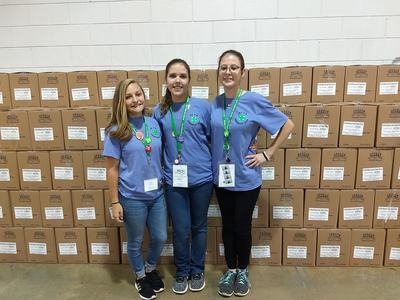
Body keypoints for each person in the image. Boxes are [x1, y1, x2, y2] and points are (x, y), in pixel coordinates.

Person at [211, 50, 294, 297]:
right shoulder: (214, 103)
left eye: (233, 67)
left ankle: (243, 270)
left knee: (241, 226)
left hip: (247, 178)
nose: (228, 72)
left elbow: (287, 125)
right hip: (221, 177)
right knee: (227, 225)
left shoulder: (254, 101)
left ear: (242, 73)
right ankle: (230, 270)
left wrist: (267, 153)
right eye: (223, 67)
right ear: (218, 72)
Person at [153, 58, 213, 294]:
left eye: (182, 76)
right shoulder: (159, 111)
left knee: (199, 226)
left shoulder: (203, 107)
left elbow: (213, 139)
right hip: (174, 180)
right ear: (166, 80)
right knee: (180, 228)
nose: (177, 80)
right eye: (173, 76)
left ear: (189, 81)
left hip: (202, 179)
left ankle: (197, 269)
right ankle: (181, 271)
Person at [103, 79, 167, 300]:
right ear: (121, 102)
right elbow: (112, 170)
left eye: (138, 94)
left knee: (160, 237)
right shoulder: (115, 131)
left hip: (157, 195)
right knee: (136, 241)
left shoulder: (154, 123)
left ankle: (150, 268)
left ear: (144, 96)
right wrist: (114, 202)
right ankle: (140, 276)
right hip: (132, 198)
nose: (135, 100)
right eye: (128, 96)